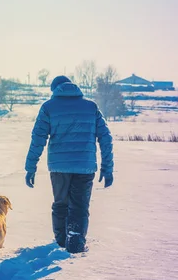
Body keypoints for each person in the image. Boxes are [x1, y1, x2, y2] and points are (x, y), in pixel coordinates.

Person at [24, 75, 114, 253]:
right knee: (79, 206)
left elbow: (38, 139)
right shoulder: (91, 106)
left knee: (60, 204)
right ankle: (75, 241)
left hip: (59, 167)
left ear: (55, 89)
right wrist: (107, 168)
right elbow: (105, 138)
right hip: (85, 166)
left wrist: (31, 167)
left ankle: (61, 242)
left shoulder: (49, 107)